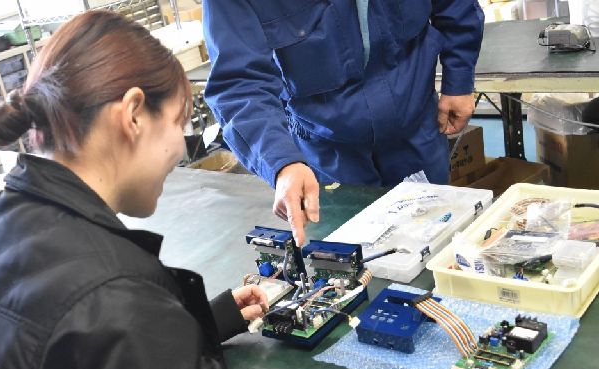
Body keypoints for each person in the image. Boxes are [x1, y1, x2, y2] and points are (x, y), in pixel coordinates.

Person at [0, 10, 547, 369]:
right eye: (179, 125)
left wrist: (196, 325)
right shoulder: (116, 300)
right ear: (133, 114)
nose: (179, 149)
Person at [203, 0, 485, 246]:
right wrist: (281, 163)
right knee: (351, 264)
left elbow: (455, 5)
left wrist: (459, 79)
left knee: (437, 244)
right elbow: (239, 84)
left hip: (417, 129)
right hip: (327, 153)